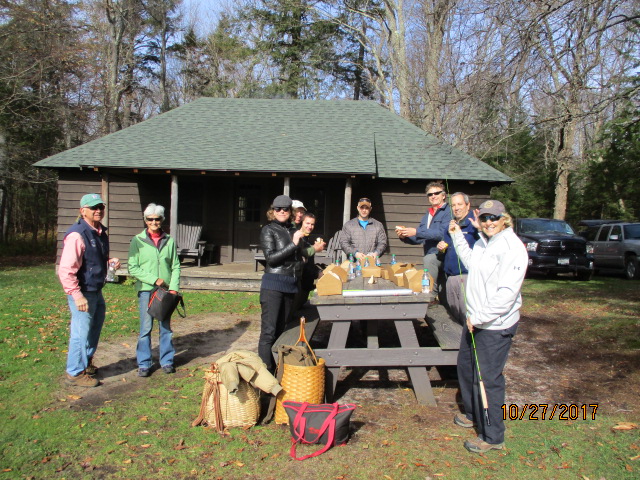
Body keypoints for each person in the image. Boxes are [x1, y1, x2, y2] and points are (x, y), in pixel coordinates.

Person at [448, 200, 528, 454]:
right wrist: (458, 236)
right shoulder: (485, 241)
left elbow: (506, 294)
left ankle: (493, 436)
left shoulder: (513, 247)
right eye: (484, 218)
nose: (489, 222)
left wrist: (480, 317)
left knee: (487, 380)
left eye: (494, 217)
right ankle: (474, 414)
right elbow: (472, 262)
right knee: (467, 369)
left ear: (505, 218)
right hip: (476, 321)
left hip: (494, 325)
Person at [58, 193, 120, 387]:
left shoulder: (99, 232)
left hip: (96, 290)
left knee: (94, 329)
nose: (98, 210)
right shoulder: (77, 234)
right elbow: (66, 270)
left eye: (100, 206)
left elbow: (90, 260)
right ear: (82, 210)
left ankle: (86, 363)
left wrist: (109, 262)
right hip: (83, 292)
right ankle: (75, 372)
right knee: (80, 332)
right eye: (93, 207)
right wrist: (77, 295)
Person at [127, 204, 181, 377]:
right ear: (145, 220)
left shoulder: (169, 240)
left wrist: (173, 288)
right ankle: (144, 363)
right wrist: (153, 280)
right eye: (150, 219)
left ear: (162, 220)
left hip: (165, 292)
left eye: (157, 219)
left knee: (165, 327)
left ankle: (167, 361)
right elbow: (132, 267)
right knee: (145, 328)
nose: (154, 222)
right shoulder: (137, 240)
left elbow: (175, 266)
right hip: (146, 290)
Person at [258, 195, 305, 372]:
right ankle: (265, 373)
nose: (282, 212)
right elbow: (271, 259)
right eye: (278, 209)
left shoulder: (293, 230)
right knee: (268, 333)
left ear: (291, 212)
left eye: (285, 209)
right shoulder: (268, 230)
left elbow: (298, 258)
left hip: (290, 286)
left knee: (281, 331)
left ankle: (278, 370)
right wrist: (293, 244)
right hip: (273, 285)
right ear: (273, 211)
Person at [396, 182, 450, 294]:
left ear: (443, 195)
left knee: (429, 260)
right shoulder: (428, 215)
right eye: (430, 194)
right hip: (431, 255)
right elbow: (420, 237)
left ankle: (430, 296)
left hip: (445, 254)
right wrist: (404, 236)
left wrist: (416, 231)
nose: (433, 196)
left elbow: (442, 234)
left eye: (436, 193)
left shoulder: (448, 212)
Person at [437, 192, 479, 324]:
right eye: (453, 205)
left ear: (468, 205)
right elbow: (448, 247)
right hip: (451, 278)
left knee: (469, 318)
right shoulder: (451, 225)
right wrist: (442, 247)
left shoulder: (475, 224)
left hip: (468, 278)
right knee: (455, 318)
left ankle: (473, 344)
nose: (456, 208)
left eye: (460, 204)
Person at [292, 212, 326, 313]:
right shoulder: (298, 237)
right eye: (307, 223)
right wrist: (317, 273)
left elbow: (308, 262)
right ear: (301, 222)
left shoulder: (306, 238)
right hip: (299, 283)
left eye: (312, 224)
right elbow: (301, 260)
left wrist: (318, 271)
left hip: (306, 284)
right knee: (294, 313)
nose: (310, 226)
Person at [339, 197, 387, 261]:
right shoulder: (349, 225)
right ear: (358, 208)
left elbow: (383, 243)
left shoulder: (378, 225)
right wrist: (355, 253)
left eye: (366, 208)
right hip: (354, 263)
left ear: (370, 209)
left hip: (372, 263)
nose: (364, 210)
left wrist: (376, 253)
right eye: (362, 207)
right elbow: (344, 243)